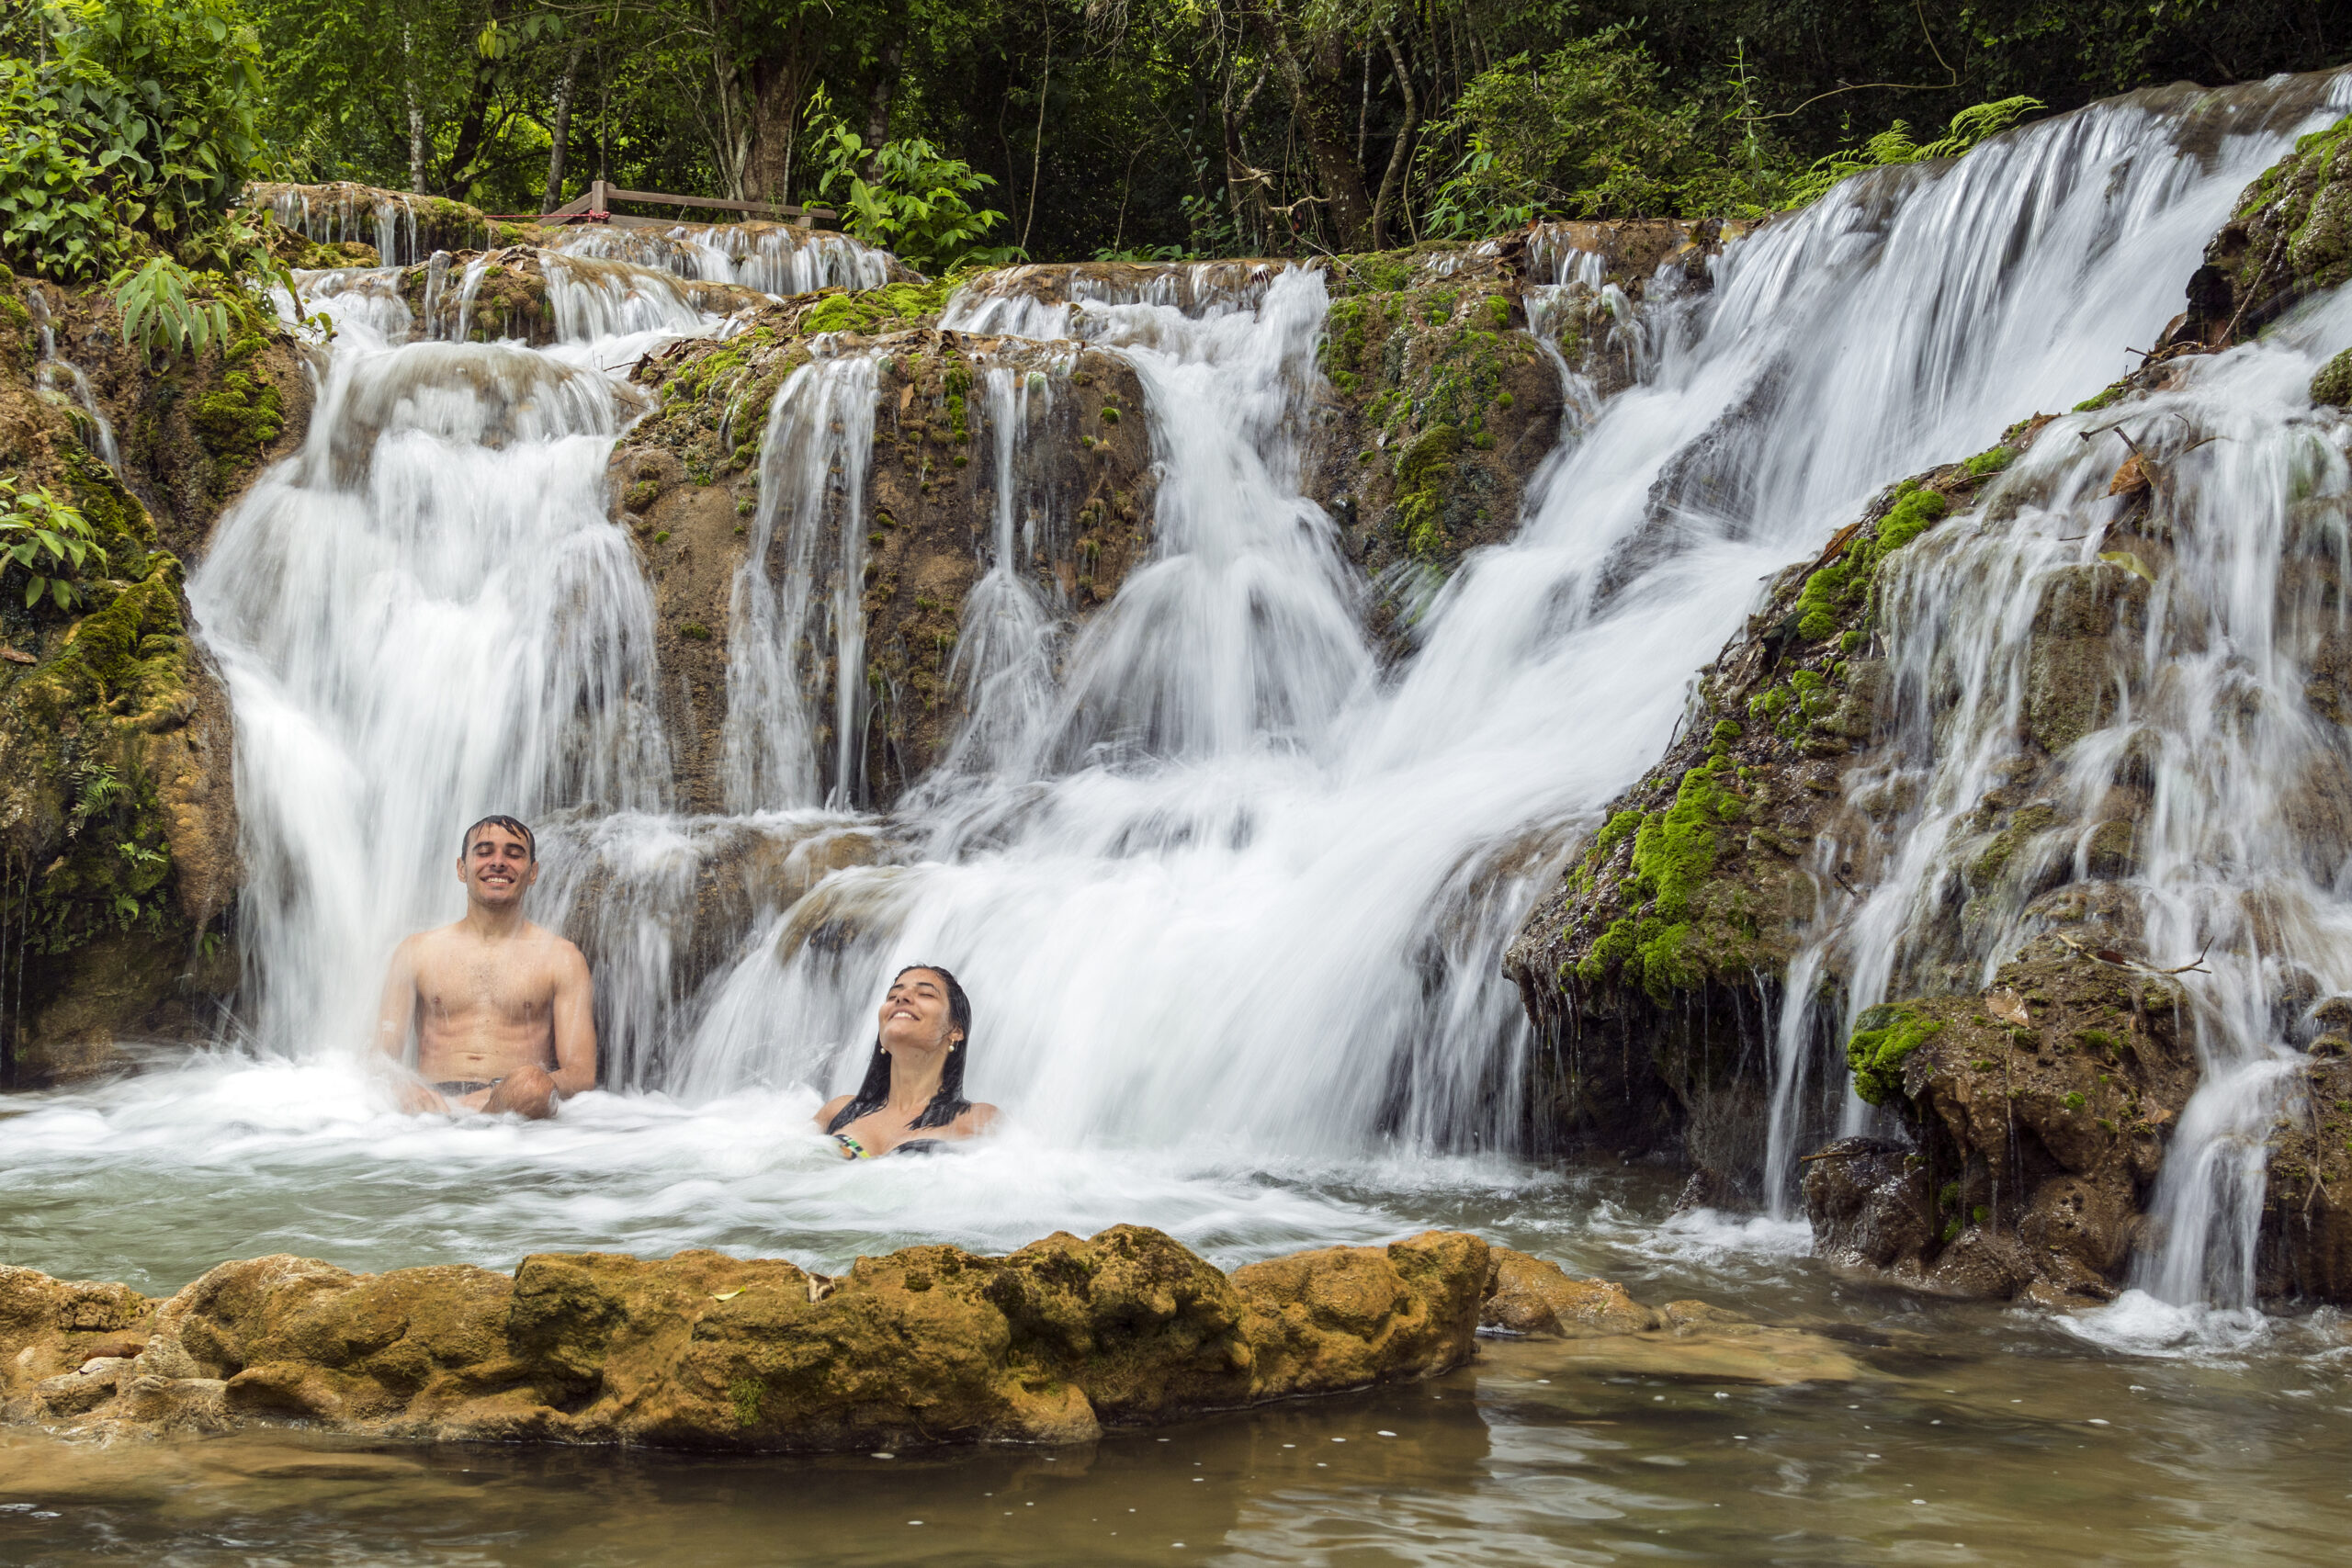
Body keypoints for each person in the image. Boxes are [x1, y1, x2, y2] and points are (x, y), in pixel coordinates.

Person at [373, 815, 597, 1119]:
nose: (498, 862)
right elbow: (380, 1058)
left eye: (514, 854)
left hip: (512, 1107)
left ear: (533, 873)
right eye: (484, 852)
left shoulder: (562, 958)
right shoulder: (416, 951)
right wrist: (404, 1089)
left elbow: (581, 1074)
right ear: (461, 869)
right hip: (432, 1108)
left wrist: (498, 1091)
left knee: (532, 1085)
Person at [815, 964, 999, 1157]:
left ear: (956, 1030)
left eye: (926, 994)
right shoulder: (837, 1111)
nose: (902, 998)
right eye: (892, 997)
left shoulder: (979, 1121)